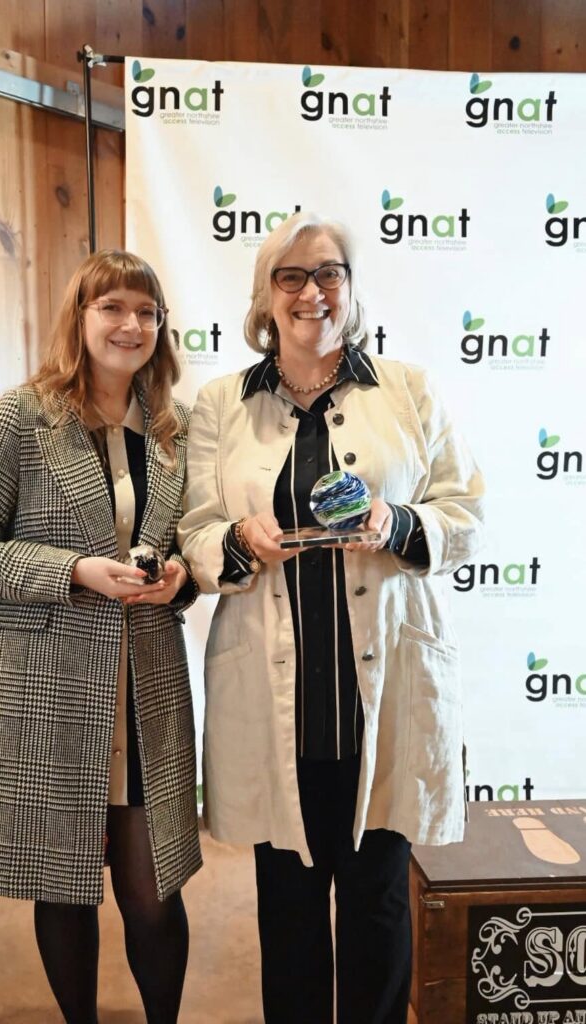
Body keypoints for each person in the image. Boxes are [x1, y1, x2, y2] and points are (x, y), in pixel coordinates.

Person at [178, 211, 484, 1024]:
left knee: (379, 899)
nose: (312, 291)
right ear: (264, 297)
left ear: (350, 290)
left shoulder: (408, 390)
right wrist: (238, 537)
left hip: (379, 696)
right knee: (287, 904)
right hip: (279, 698)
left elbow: (465, 510)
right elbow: (194, 529)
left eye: (329, 273)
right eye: (292, 276)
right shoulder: (221, 403)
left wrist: (402, 524)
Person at [0, 249, 201, 1024]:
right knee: (66, 887)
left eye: (147, 312)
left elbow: (180, 541)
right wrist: (72, 570)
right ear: (79, 319)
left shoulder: (171, 432)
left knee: (154, 894)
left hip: (145, 688)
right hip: (48, 689)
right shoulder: (24, 416)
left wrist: (177, 572)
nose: (131, 325)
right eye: (112, 307)